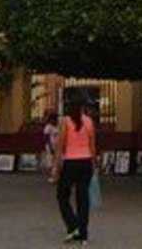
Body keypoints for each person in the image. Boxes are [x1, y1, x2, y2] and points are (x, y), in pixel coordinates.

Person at [51, 96, 96, 245]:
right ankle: (83, 233)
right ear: (83, 107)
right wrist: (94, 165)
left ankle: (73, 225)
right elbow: (92, 146)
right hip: (86, 162)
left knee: (62, 195)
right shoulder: (89, 122)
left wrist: (56, 168)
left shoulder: (65, 122)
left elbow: (59, 146)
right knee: (83, 198)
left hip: (71, 162)